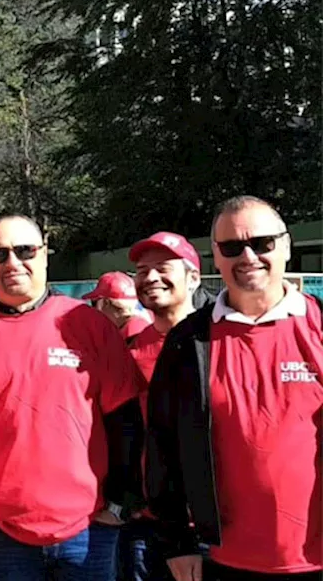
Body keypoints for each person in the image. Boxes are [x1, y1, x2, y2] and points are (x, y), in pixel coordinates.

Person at [0, 212, 144, 581]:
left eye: (25, 250)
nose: (13, 263)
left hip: (89, 528)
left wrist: (119, 504)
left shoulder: (89, 325)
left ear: (45, 254)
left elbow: (126, 421)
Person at [147, 196, 322, 581]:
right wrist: (177, 542)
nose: (248, 256)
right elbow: (163, 449)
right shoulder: (187, 342)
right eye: (232, 247)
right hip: (224, 559)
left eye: (262, 243)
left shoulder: (318, 326)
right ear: (216, 256)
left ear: (287, 246)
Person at [118, 231, 202, 581]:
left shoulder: (217, 342)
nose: (150, 277)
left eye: (163, 268)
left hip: (212, 526)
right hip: (145, 523)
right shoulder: (128, 350)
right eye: (141, 270)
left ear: (194, 277)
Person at [84, 271, 153, 339]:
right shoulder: (145, 318)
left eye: (94, 303)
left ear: (105, 302)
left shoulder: (132, 333)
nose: (94, 310)